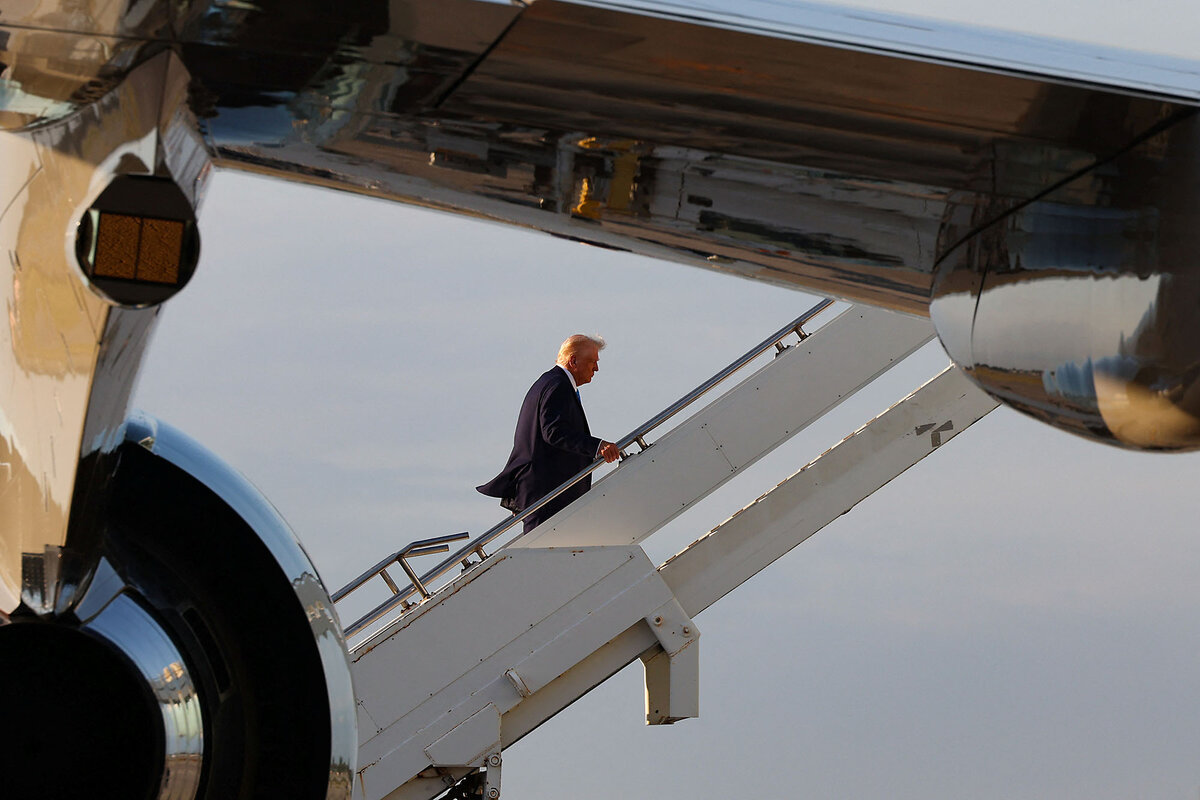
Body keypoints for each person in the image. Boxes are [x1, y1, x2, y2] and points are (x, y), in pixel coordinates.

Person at [477, 334, 621, 532]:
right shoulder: (558, 386)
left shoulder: (549, 382)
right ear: (573, 361)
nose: (596, 368)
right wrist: (598, 447)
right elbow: (553, 432)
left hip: (541, 491)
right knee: (541, 556)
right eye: (592, 362)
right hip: (547, 493)